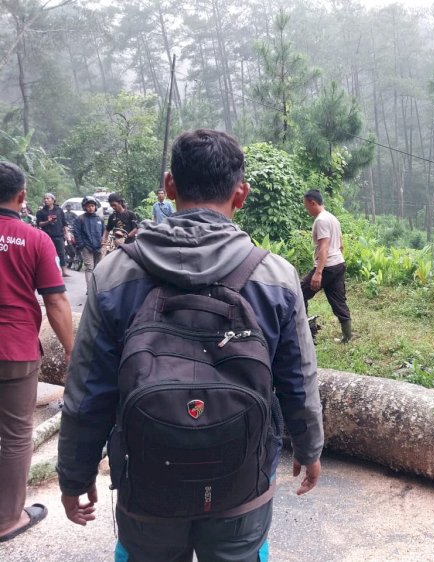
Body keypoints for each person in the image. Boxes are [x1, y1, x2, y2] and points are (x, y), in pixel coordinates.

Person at [57, 129, 323, 561]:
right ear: (242, 194)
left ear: (169, 187)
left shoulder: (113, 274)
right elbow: (299, 380)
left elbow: (88, 393)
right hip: (242, 486)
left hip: (146, 488)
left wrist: (75, 473)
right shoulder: (275, 277)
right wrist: (310, 448)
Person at [0, 162, 74, 542]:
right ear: (22, 196)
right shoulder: (34, 239)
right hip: (13, 350)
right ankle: (8, 519)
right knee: (14, 435)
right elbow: (57, 302)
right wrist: (72, 352)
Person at [301, 189, 352, 343]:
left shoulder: (321, 220)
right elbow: (341, 245)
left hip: (328, 266)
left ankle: (302, 332)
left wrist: (318, 272)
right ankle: (347, 337)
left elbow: (324, 247)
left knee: (299, 293)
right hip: (338, 263)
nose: (306, 209)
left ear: (312, 202)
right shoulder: (332, 218)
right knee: (338, 300)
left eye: (306, 205)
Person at [72, 196, 105, 288]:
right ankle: (90, 289)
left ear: (95, 207)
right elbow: (77, 233)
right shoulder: (80, 219)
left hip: (98, 246)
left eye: (92, 206)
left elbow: (104, 232)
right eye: (88, 206)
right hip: (86, 247)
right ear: (84, 207)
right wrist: (81, 245)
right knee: (89, 268)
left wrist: (103, 243)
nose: (91, 208)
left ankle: (97, 287)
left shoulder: (99, 219)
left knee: (98, 268)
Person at [36, 192, 70, 276]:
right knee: (47, 253)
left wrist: (66, 233)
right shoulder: (41, 212)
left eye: (48, 198)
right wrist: (48, 221)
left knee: (61, 253)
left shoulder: (59, 210)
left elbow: (64, 222)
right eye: (45, 198)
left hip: (59, 235)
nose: (46, 200)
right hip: (47, 236)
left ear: (53, 200)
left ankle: (64, 271)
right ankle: (48, 271)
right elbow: (39, 224)